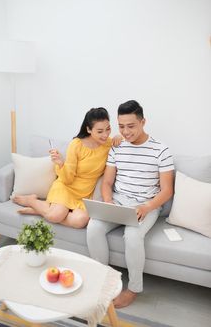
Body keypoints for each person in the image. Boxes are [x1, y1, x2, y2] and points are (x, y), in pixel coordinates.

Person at [87, 100, 174, 308]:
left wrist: (146, 208)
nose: (126, 132)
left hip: (147, 204)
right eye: (121, 126)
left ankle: (134, 288)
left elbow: (167, 190)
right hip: (118, 201)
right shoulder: (117, 148)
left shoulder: (161, 151)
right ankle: (104, 279)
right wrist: (108, 203)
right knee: (93, 228)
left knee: (133, 236)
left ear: (143, 122)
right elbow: (107, 182)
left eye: (131, 126)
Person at [13, 107, 121, 229]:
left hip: (84, 194)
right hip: (66, 187)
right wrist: (60, 163)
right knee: (55, 216)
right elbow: (68, 179)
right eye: (100, 131)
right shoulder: (76, 145)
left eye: (108, 129)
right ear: (89, 129)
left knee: (80, 221)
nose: (106, 134)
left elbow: (125, 143)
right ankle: (32, 201)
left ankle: (41, 211)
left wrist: (119, 137)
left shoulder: (108, 144)